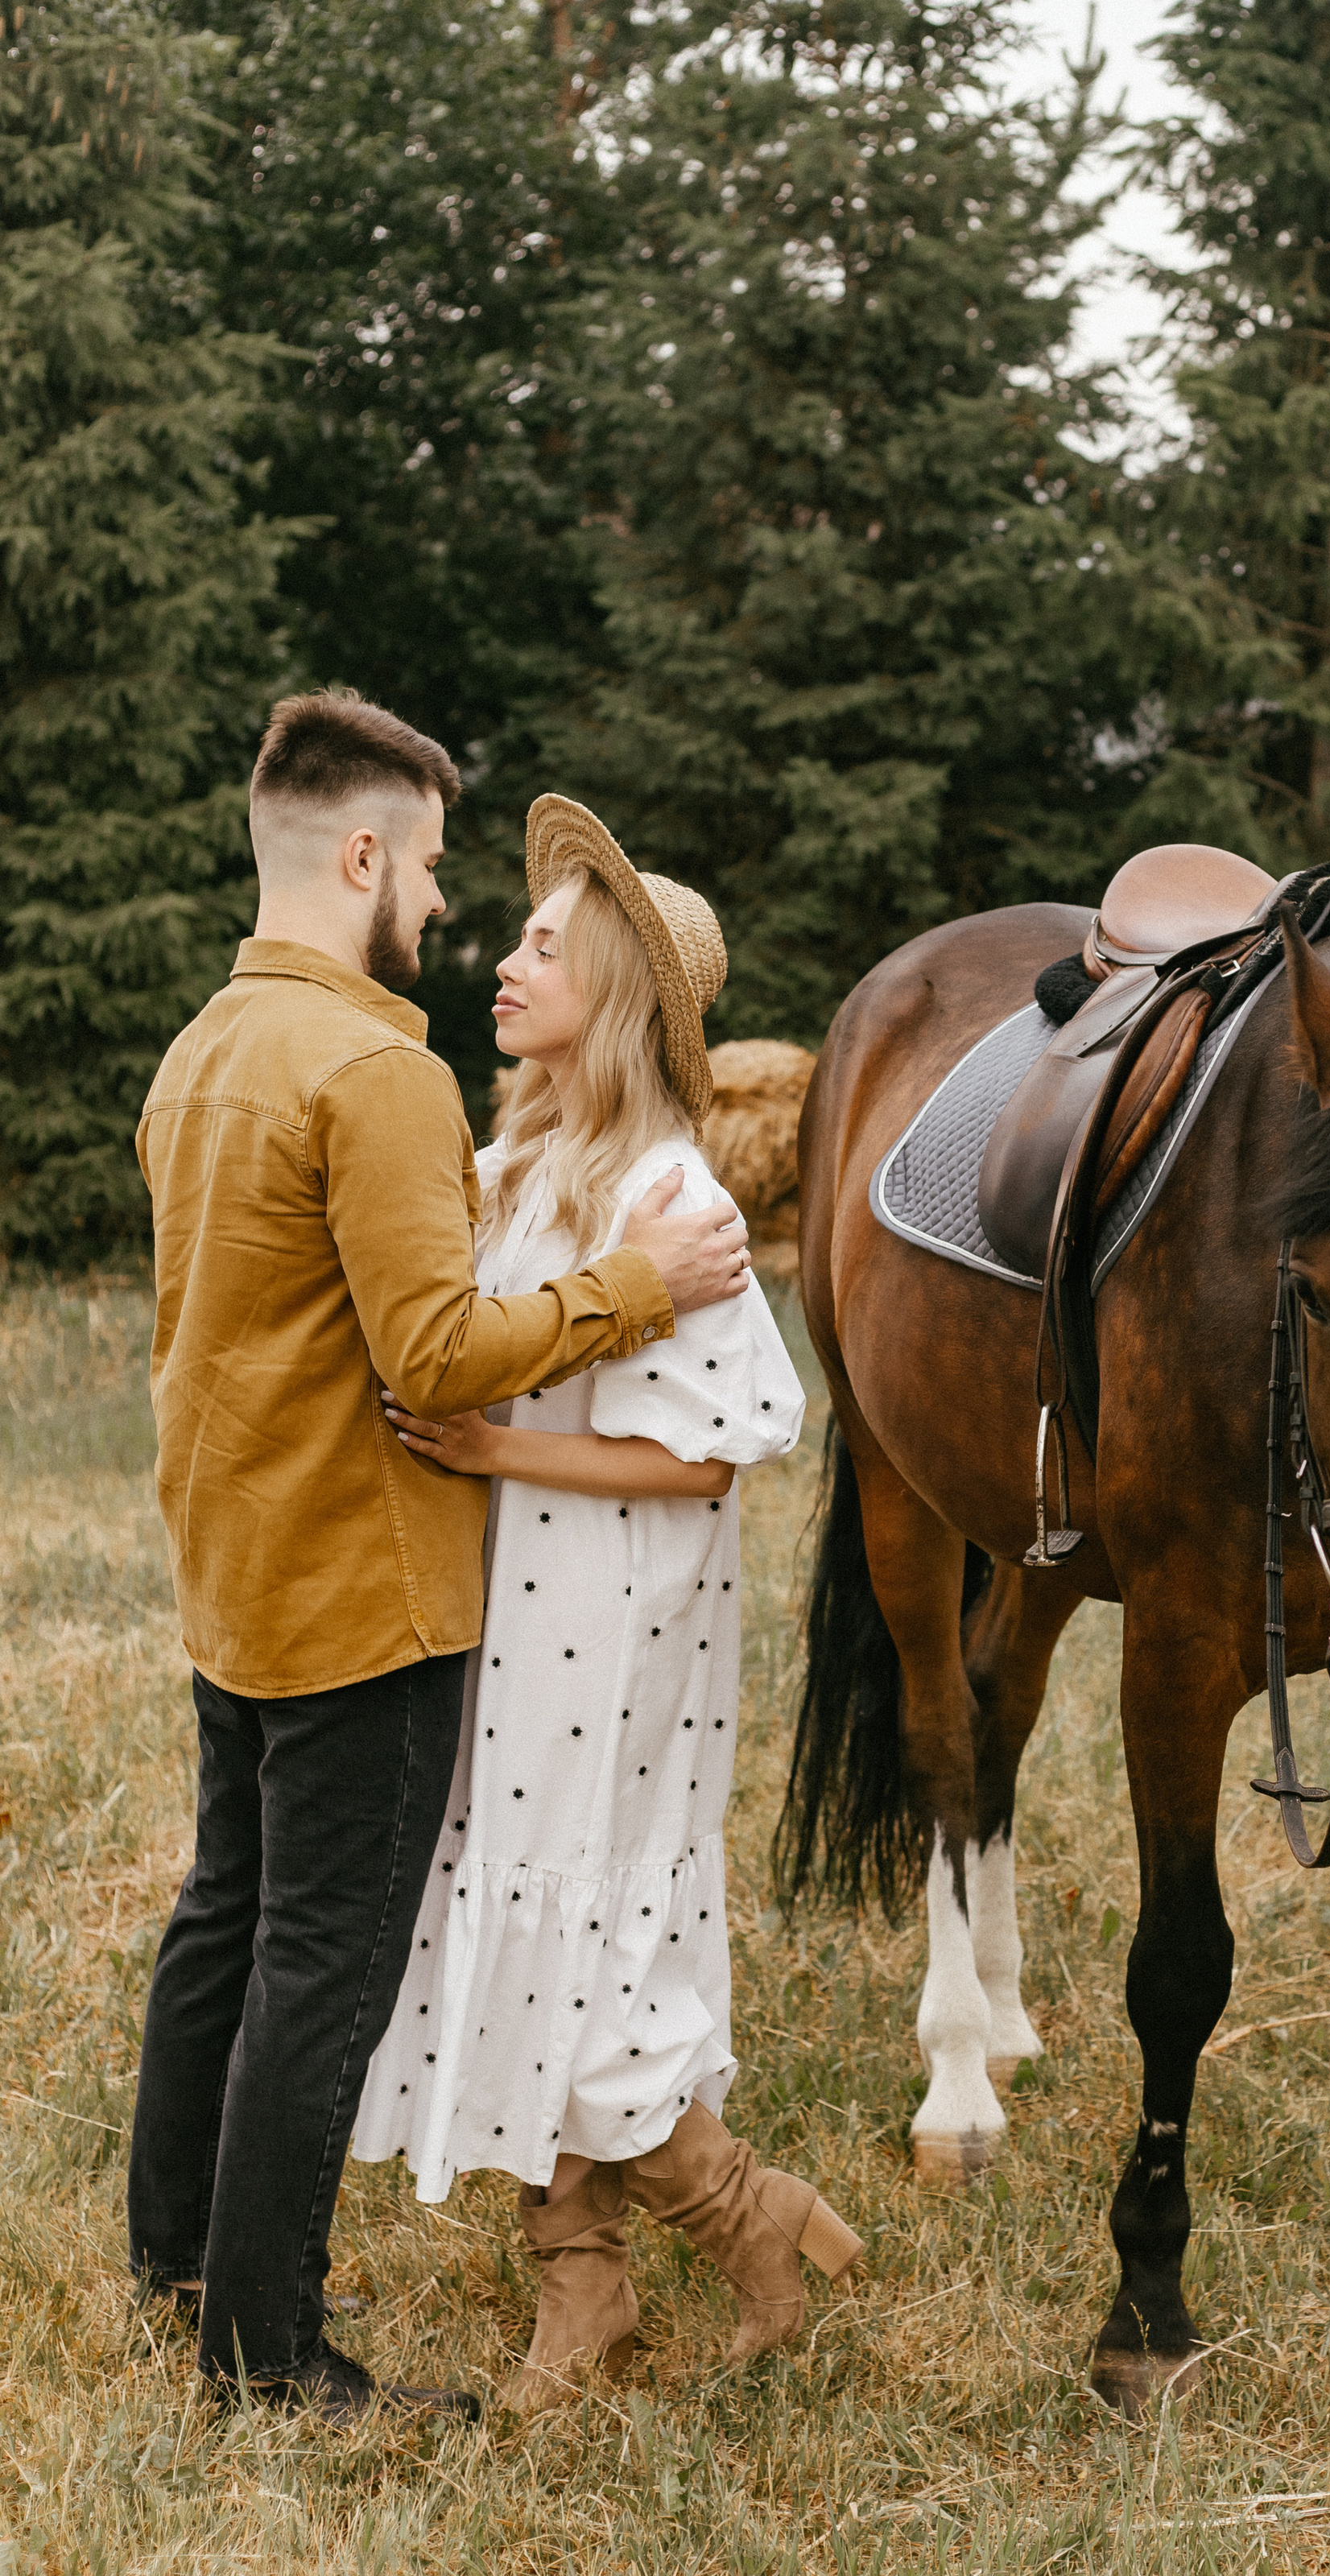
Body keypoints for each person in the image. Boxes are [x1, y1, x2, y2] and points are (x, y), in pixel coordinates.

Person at [126, 695, 755, 2426]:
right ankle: (263, 2353)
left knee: (222, 1920)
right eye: (425, 865)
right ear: (358, 852)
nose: (441, 904)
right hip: (366, 1600)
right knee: (315, 1970)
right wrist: (644, 1289)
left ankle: (169, 2258)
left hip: (237, 1573)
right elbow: (433, 1356)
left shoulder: (207, 1049)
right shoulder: (376, 1071)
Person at [353, 795, 859, 2416]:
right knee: (525, 1917)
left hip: (614, 1613)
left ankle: (741, 2216)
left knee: (585, 1922)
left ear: (622, 992)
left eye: (542, 947)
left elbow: (706, 1461)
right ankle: (586, 2293)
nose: (503, 960)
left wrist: (498, 1441)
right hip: (508, 1601)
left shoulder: (674, 1199)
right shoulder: (515, 1162)